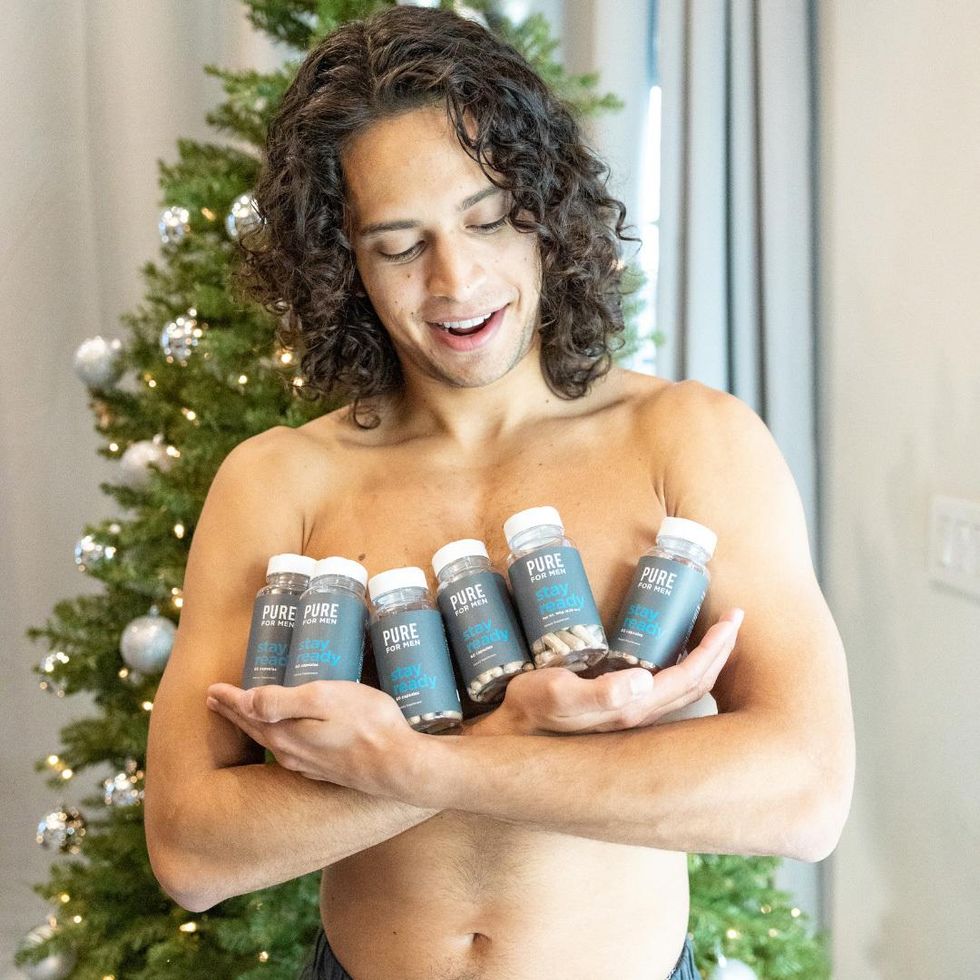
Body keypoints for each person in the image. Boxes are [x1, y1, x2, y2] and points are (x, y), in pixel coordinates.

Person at [144, 7, 855, 980]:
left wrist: (422, 761)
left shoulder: (688, 439)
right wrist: (516, 728)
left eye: (485, 219)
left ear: (544, 207)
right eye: (400, 245)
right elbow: (190, 850)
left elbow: (804, 796)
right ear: (342, 263)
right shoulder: (278, 479)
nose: (456, 279)